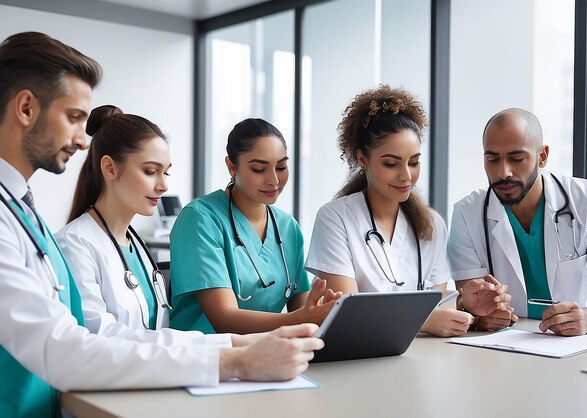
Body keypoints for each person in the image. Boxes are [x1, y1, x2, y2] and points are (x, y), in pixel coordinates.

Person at [0, 31, 322, 418]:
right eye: (73, 118)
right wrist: (235, 359)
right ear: (25, 108)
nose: (83, 141)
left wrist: (235, 347)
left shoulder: (21, 210)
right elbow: (66, 346)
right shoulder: (54, 233)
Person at [305, 85, 510, 337]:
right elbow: (346, 311)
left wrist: (467, 304)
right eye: (391, 164)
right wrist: (424, 321)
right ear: (362, 159)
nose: (406, 176)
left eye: (414, 162)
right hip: (354, 357)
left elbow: (437, 302)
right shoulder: (335, 218)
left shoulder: (432, 224)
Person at [448, 107, 587, 335]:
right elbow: (468, 299)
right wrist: (479, 316)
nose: (504, 172)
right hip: (502, 346)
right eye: (492, 159)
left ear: (542, 157)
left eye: (517, 158)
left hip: (569, 342)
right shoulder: (466, 213)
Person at [169, 118, 342, 334]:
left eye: (281, 167)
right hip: (207, 356)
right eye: (259, 169)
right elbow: (224, 319)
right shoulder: (200, 219)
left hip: (268, 354)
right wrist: (300, 318)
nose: (274, 180)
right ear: (231, 166)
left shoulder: (287, 227)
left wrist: (323, 308)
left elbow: (301, 306)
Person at [55, 104, 178, 333]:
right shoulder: (74, 244)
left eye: (166, 172)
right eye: (151, 171)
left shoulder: (135, 244)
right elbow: (99, 338)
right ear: (110, 168)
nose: (163, 185)